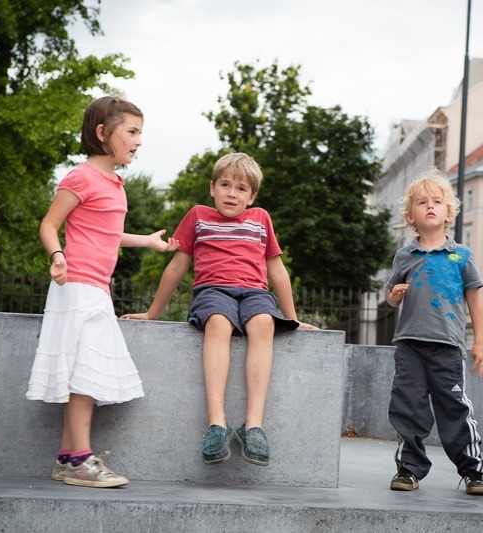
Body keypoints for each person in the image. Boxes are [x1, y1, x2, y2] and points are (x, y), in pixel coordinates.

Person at [122, 152, 315, 467]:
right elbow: (177, 268)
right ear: (212, 187)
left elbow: (277, 271)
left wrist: (292, 318)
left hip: (255, 291)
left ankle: (253, 426)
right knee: (218, 322)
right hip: (212, 290)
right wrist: (152, 313)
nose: (231, 193)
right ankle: (217, 424)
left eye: (241, 188)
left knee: (264, 322)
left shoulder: (261, 218)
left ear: (252, 196)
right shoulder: (198, 216)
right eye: (225, 185)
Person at [26, 96, 178, 488]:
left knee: (85, 374)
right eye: (132, 132)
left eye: (140, 133)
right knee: (85, 377)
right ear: (102, 132)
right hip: (77, 288)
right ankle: (80, 460)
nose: (139, 141)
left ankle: (67, 459)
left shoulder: (114, 183)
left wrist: (147, 241)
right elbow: (49, 224)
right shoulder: (81, 177)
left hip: (96, 290)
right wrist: (57, 255)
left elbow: (107, 234)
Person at [384, 166, 483, 496]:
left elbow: (475, 299)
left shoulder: (462, 256)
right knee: (408, 406)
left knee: (455, 408)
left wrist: (480, 343)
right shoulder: (405, 256)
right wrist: (394, 296)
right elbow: (389, 297)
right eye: (422, 202)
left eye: (437, 201)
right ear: (410, 217)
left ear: (448, 213)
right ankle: (409, 468)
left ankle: (472, 471)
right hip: (409, 346)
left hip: (447, 346)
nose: (430, 206)